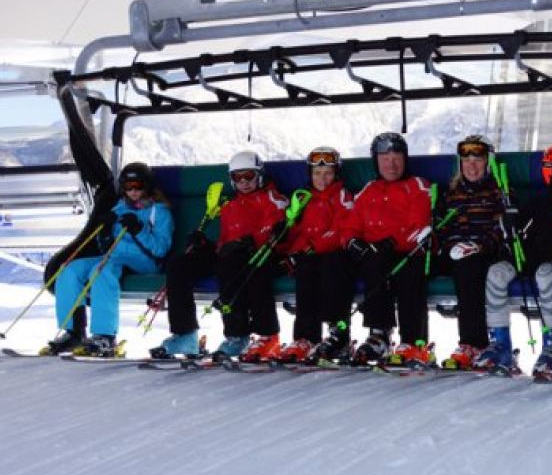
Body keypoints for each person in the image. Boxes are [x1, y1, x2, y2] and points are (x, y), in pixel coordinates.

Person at [151, 151, 287, 361]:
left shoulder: (274, 199)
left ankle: (237, 336)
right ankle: (185, 334)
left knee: (229, 263)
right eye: (237, 177)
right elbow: (223, 243)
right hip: (229, 255)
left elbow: (277, 231)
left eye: (248, 176)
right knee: (179, 266)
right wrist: (205, 245)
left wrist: (249, 241)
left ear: (259, 175)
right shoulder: (231, 206)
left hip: (257, 256)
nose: (243, 182)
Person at [474, 142, 552, 378]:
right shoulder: (540, 200)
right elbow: (517, 230)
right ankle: (500, 345)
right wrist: (509, 224)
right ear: (550, 169)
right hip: (526, 258)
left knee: (545, 276)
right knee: (496, 273)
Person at [45, 162, 174, 357]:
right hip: (116, 257)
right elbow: (107, 245)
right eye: (128, 187)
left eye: (138, 186)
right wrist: (104, 233)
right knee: (69, 270)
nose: (133, 191)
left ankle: (105, 335)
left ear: (147, 186)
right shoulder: (119, 208)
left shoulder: (159, 211)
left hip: (145, 262)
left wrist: (140, 231)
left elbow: (161, 250)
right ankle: (74, 331)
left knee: (101, 271)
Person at [340, 132, 433, 366]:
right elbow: (350, 226)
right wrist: (352, 242)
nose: (391, 165)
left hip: (407, 252)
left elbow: (420, 226)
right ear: (376, 161)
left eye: (396, 159)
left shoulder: (417, 186)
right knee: (363, 263)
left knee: (409, 272)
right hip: (374, 255)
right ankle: (378, 334)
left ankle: (414, 341)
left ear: (405, 159)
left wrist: (390, 243)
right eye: (385, 159)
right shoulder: (369, 190)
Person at [278, 146, 356, 364]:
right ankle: (306, 337)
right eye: (317, 173)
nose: (322, 179)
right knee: (305, 271)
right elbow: (298, 233)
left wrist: (313, 247)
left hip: (336, 255)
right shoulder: (303, 198)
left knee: (332, 269)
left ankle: (338, 334)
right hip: (311, 257)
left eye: (328, 173)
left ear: (336, 174)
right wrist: (293, 249)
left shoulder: (342, 196)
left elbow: (343, 228)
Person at [436, 135, 505, 370]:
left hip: (484, 253)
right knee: (414, 266)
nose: (472, 167)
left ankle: (474, 343)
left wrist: (478, 246)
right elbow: (442, 226)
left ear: (488, 163)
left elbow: (502, 228)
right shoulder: (451, 193)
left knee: (468, 269)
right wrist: (451, 245)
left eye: (478, 161)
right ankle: (411, 341)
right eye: (467, 162)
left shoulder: (498, 192)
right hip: (454, 251)